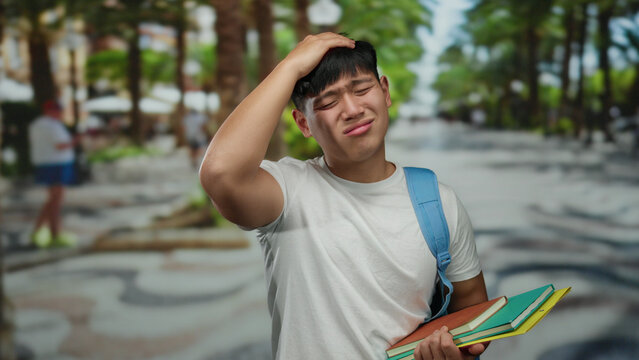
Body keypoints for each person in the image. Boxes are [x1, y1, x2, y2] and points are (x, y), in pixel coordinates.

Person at [199, 33, 488, 360]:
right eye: (327, 102)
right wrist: (291, 65)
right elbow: (220, 174)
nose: (352, 109)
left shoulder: (438, 200)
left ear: (385, 91)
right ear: (303, 123)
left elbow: (474, 308)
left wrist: (457, 351)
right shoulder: (289, 191)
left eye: (362, 89)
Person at [29, 100, 79, 248]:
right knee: (56, 200)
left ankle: (40, 231)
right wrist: (76, 140)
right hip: (57, 164)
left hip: (45, 163)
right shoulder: (53, 125)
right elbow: (60, 145)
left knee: (53, 199)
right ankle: (54, 234)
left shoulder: (36, 124)